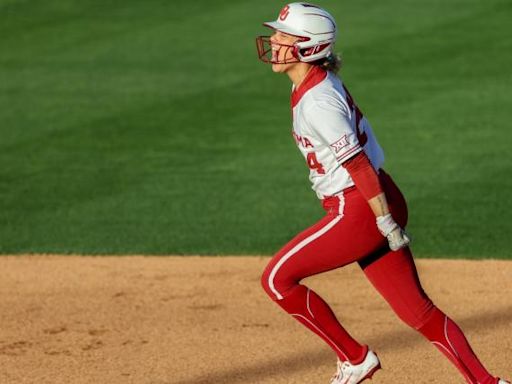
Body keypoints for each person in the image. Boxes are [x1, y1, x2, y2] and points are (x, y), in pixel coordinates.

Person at [256, 3, 509, 384]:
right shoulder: (314, 83)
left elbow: (356, 164)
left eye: (284, 35)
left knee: (276, 280)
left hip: (360, 207)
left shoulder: (318, 102)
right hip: (376, 198)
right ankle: (487, 383)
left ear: (309, 47)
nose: (274, 40)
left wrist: (384, 220)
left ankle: (354, 358)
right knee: (418, 312)